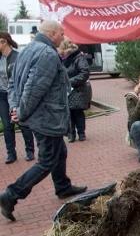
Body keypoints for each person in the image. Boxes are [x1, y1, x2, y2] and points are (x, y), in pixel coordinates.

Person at [0, 21, 87, 222]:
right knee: (47, 160)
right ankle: (11, 195)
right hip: (46, 117)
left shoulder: (27, 50)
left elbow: (12, 83)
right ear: (52, 33)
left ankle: (63, 186)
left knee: (60, 151)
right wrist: (21, 111)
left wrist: (15, 107)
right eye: (62, 34)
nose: (64, 37)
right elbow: (34, 89)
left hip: (38, 116)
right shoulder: (47, 54)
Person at [0, 32, 35, 164]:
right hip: (2, 95)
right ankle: (11, 153)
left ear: (4, 42)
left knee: (22, 122)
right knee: (7, 124)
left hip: (16, 94)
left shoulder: (18, 57)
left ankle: (30, 150)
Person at [59, 37, 91, 142]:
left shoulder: (79, 57)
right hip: (68, 90)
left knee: (77, 111)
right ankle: (71, 133)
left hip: (78, 89)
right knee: (69, 112)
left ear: (65, 49)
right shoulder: (63, 59)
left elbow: (84, 72)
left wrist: (70, 82)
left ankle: (81, 133)